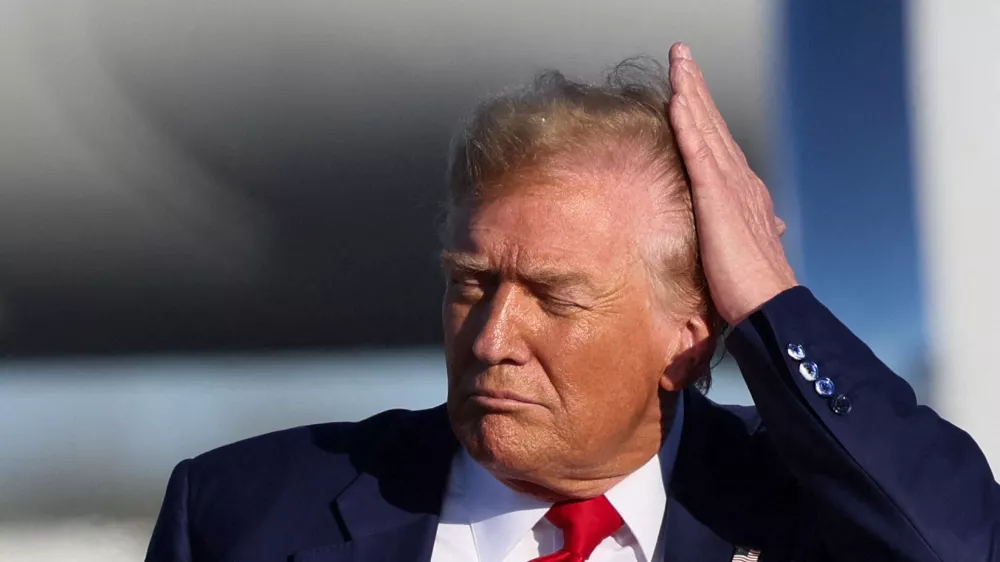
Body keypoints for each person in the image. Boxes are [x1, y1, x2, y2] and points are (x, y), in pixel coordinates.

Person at [145, 43, 1000, 562]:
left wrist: (773, 301)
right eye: (471, 283)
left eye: (555, 296)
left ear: (692, 338)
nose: (491, 339)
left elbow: (957, 547)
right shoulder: (242, 513)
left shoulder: (803, 508)